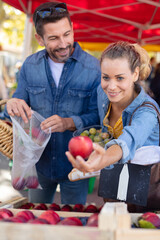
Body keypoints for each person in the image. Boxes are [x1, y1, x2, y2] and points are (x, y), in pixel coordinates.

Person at [6, 2, 101, 204]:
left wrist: (68, 122)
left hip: (77, 165)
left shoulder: (94, 68)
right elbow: (18, 102)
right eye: (54, 38)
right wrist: (12, 103)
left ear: (73, 28)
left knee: (75, 225)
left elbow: (98, 117)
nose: (64, 43)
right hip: (39, 163)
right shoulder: (29, 66)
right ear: (39, 39)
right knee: (37, 220)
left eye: (67, 34)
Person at [66, 41, 159, 188]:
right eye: (106, 77)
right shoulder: (102, 94)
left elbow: (127, 142)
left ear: (135, 74)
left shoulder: (147, 111)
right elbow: (97, 121)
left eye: (120, 78)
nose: (111, 86)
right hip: (112, 181)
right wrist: (67, 123)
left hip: (143, 189)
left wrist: (101, 161)